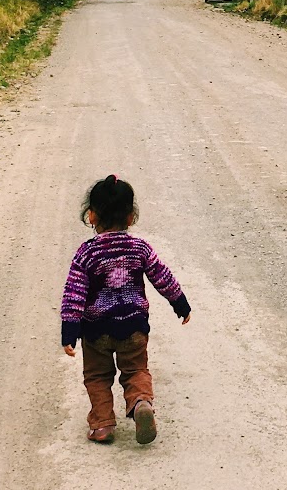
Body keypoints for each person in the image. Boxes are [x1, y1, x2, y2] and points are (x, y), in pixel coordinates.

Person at [60, 175, 191, 445]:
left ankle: (102, 424)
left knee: (97, 376)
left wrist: (69, 330)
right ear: (131, 217)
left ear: (91, 216)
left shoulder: (87, 253)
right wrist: (180, 303)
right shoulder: (139, 248)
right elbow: (162, 277)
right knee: (135, 370)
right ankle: (140, 402)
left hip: (96, 330)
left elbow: (74, 293)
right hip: (133, 326)